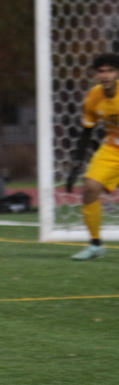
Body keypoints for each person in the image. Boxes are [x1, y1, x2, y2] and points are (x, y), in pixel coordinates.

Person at [66, 52, 119, 260]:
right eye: (101, 71)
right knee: (90, 188)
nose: (105, 75)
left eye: (110, 71)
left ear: (117, 73)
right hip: (113, 148)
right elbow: (87, 132)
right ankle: (95, 244)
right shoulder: (93, 97)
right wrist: (76, 166)